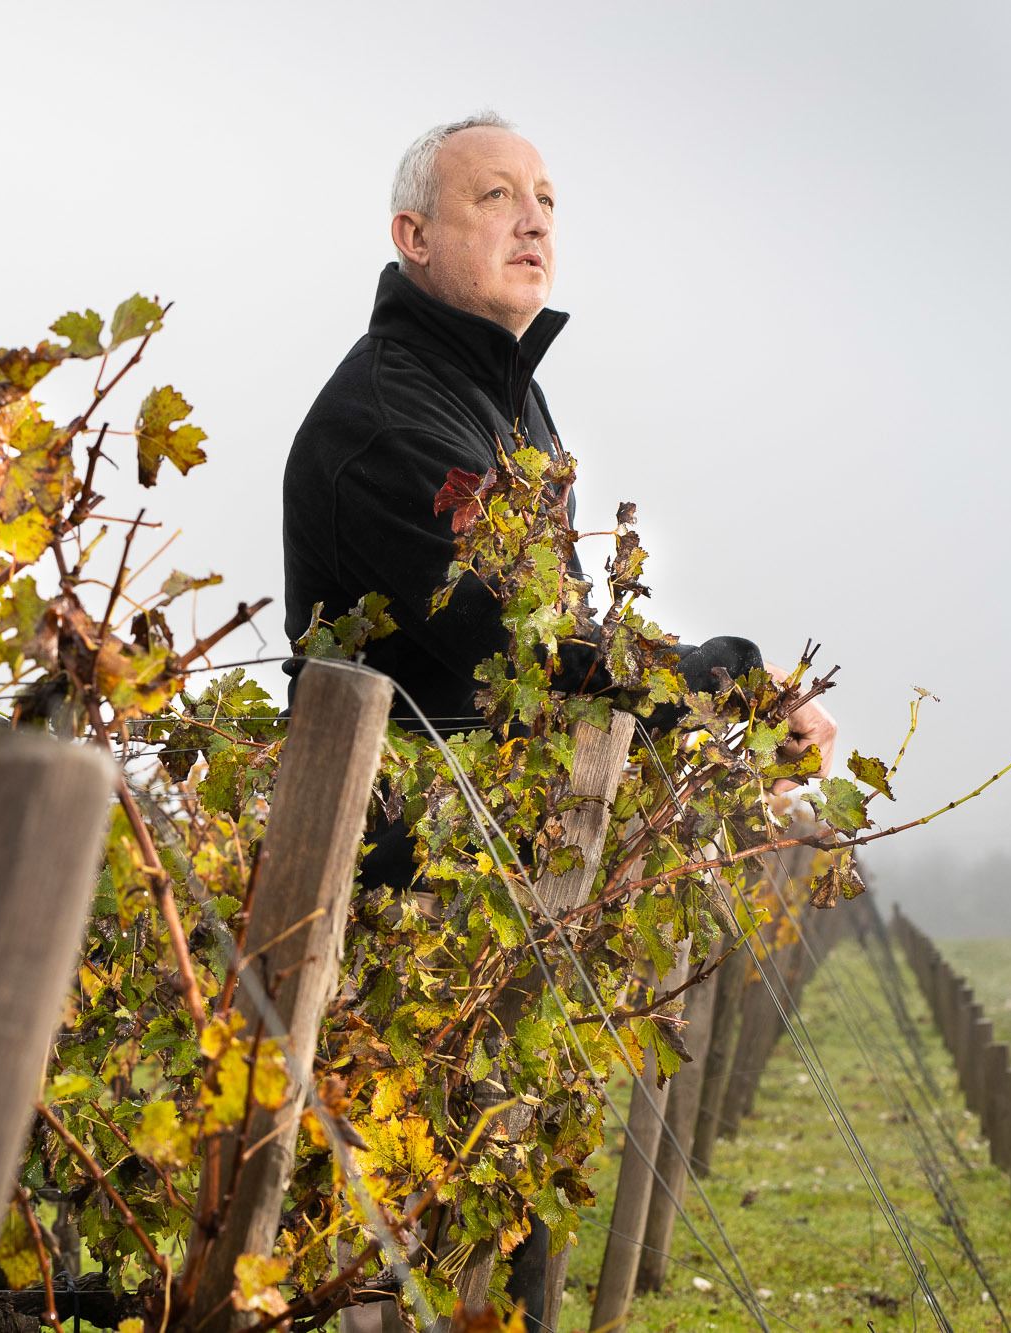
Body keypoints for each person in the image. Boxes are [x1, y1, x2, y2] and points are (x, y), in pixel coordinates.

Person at [279, 112, 839, 1326]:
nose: (533, 218)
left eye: (544, 197)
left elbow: (561, 655)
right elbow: (527, 645)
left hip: (494, 878)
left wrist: (708, 736)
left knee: (501, 1205)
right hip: (392, 904)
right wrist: (730, 675)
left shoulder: (504, 408)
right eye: (495, 196)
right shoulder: (397, 417)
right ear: (411, 235)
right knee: (378, 1254)